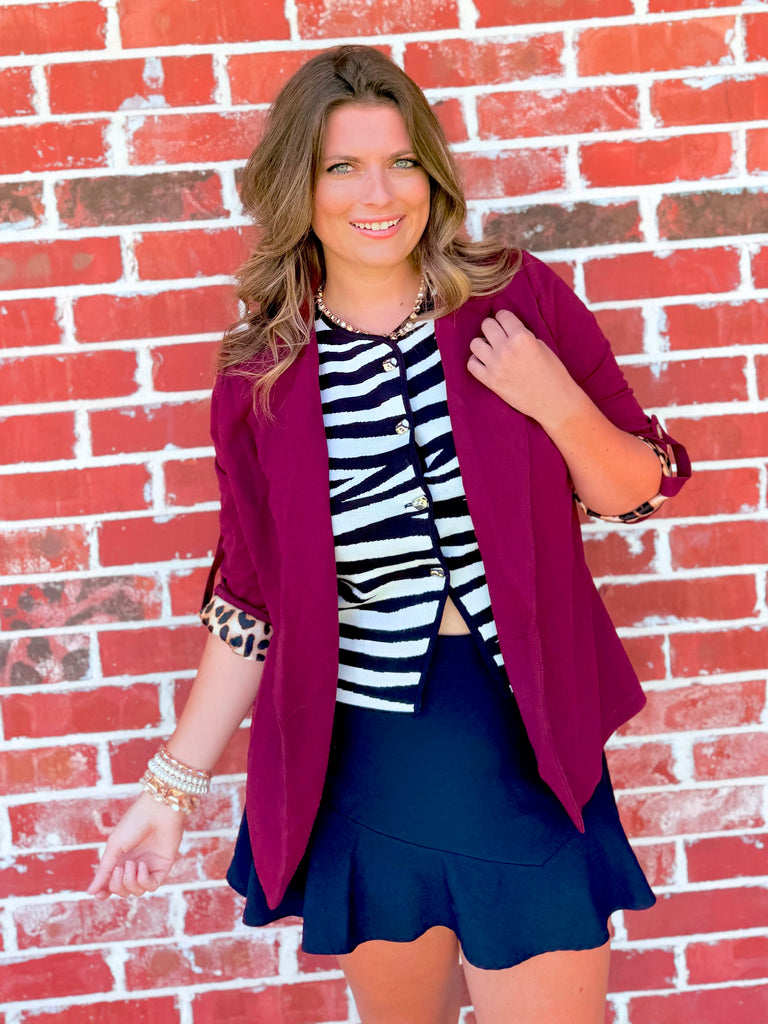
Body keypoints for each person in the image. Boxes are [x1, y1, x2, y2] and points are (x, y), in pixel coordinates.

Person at [89, 45, 690, 1024]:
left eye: (402, 160)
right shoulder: (261, 374)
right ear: (299, 188)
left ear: (432, 173)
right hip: (365, 761)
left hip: (521, 745)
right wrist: (170, 787)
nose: (380, 192)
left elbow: (639, 492)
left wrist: (552, 399)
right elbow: (250, 601)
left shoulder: (516, 299)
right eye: (343, 166)